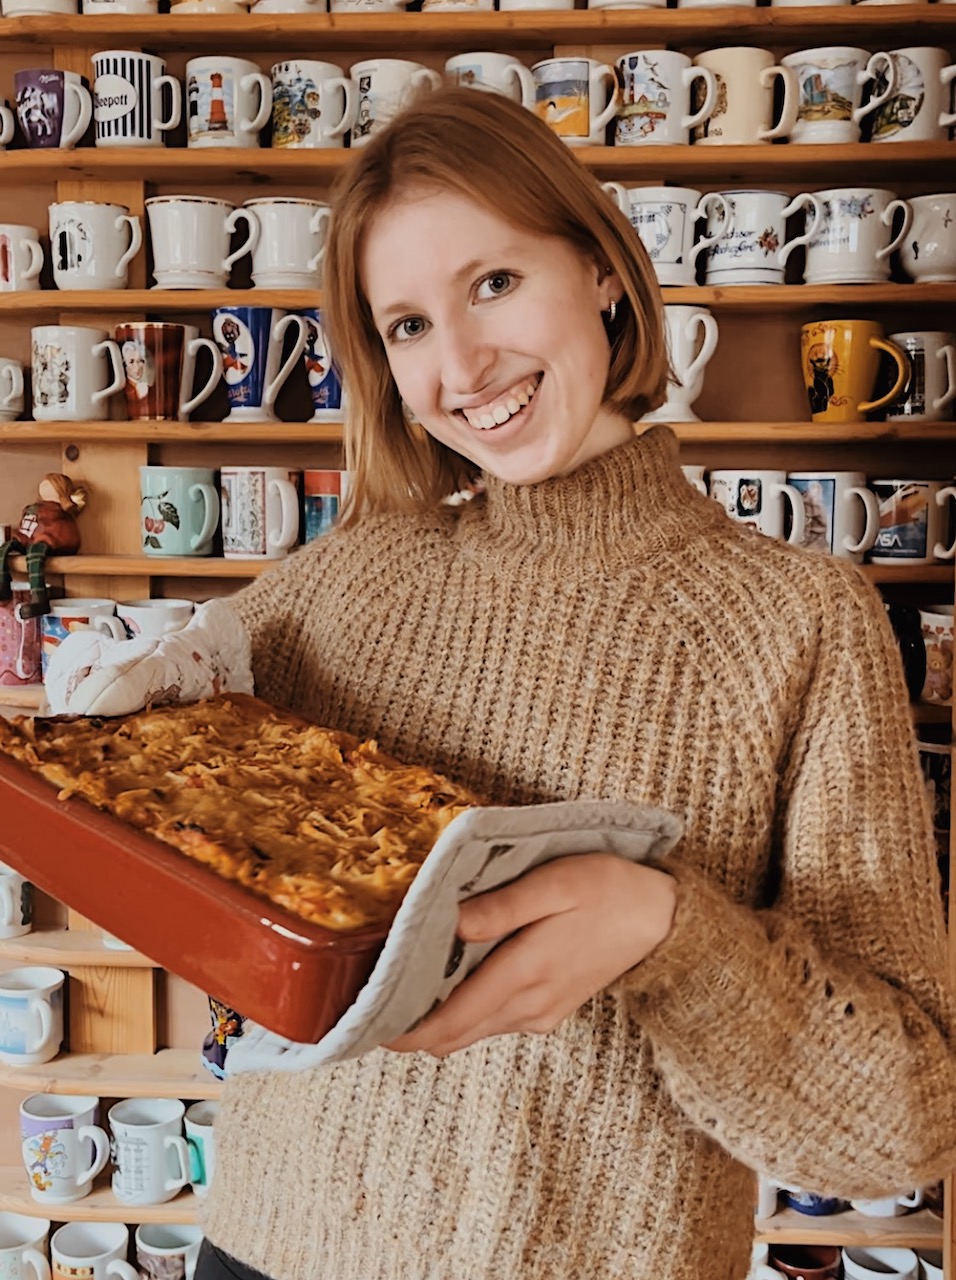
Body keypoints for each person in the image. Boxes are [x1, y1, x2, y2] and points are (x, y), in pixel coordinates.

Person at [45, 88, 956, 1280]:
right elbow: (149, 823)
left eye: (492, 284)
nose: (462, 365)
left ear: (601, 271)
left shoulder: (800, 624)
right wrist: (127, 690)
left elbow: (895, 1122)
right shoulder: (335, 582)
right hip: (265, 1243)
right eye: (407, 325)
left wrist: (669, 930)